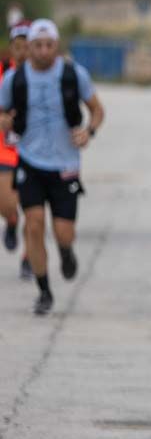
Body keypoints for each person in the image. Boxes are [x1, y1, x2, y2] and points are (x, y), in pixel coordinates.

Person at [0, 19, 104, 315]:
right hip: (30, 161)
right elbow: (1, 111)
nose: (43, 51)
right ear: (28, 48)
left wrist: (89, 131)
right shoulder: (15, 79)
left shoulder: (73, 75)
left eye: (49, 45)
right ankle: (44, 290)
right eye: (37, 46)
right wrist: (4, 121)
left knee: (63, 232)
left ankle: (66, 251)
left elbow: (97, 109)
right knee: (33, 225)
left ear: (56, 47)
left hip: (65, 164)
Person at [0, 21, 29, 272]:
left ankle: (30, 258)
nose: (22, 52)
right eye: (17, 47)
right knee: (8, 205)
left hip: (36, 152)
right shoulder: (2, 73)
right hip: (6, 150)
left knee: (35, 210)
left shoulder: (47, 77)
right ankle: (10, 222)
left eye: (26, 47)